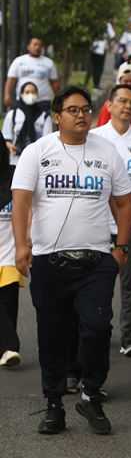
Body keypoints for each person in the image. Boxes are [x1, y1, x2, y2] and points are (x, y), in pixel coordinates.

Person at [12, 86, 131, 435]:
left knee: (96, 328)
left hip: (96, 261)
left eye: (86, 109)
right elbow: (20, 201)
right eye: (72, 110)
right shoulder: (38, 152)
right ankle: (54, 405)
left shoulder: (107, 152)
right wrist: (23, 247)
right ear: (56, 115)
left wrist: (121, 248)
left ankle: (91, 394)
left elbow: (126, 204)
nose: (81, 115)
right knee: (52, 334)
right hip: (50, 260)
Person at [90, 85, 131, 357]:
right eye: (121, 101)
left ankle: (129, 336)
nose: (127, 106)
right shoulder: (94, 138)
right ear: (109, 106)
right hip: (98, 224)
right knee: (96, 284)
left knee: (130, 285)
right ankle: (97, 331)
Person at [0, 139, 22, 368]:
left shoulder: (15, 176)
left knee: (9, 303)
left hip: (9, 252)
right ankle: (9, 346)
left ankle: (7, 349)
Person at [2, 82, 53, 167]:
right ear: (21, 94)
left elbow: (47, 140)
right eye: (27, 92)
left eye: (33, 92)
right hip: (16, 160)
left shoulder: (44, 116)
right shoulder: (13, 114)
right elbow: (6, 138)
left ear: (37, 95)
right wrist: (10, 146)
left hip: (37, 160)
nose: (30, 95)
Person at [4, 37, 60, 111]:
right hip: (23, 100)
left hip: (43, 101)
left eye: (40, 45)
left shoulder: (49, 63)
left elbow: (55, 83)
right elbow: (11, 80)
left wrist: (59, 99)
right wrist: (7, 95)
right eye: (35, 44)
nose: (37, 47)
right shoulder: (19, 61)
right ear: (28, 47)